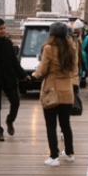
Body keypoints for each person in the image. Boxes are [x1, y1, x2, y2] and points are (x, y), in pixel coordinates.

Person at [32, 21, 79, 167]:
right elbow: (74, 69)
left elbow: (42, 70)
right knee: (65, 124)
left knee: (51, 125)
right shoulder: (72, 48)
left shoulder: (48, 48)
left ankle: (54, 156)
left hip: (51, 90)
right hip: (67, 90)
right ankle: (69, 153)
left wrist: (34, 75)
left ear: (51, 34)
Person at [0, 18, 30, 141]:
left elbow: (14, 62)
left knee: (16, 102)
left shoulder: (8, 43)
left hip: (9, 78)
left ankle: (10, 120)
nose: (3, 30)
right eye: (0, 28)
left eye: (4, 28)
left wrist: (23, 74)